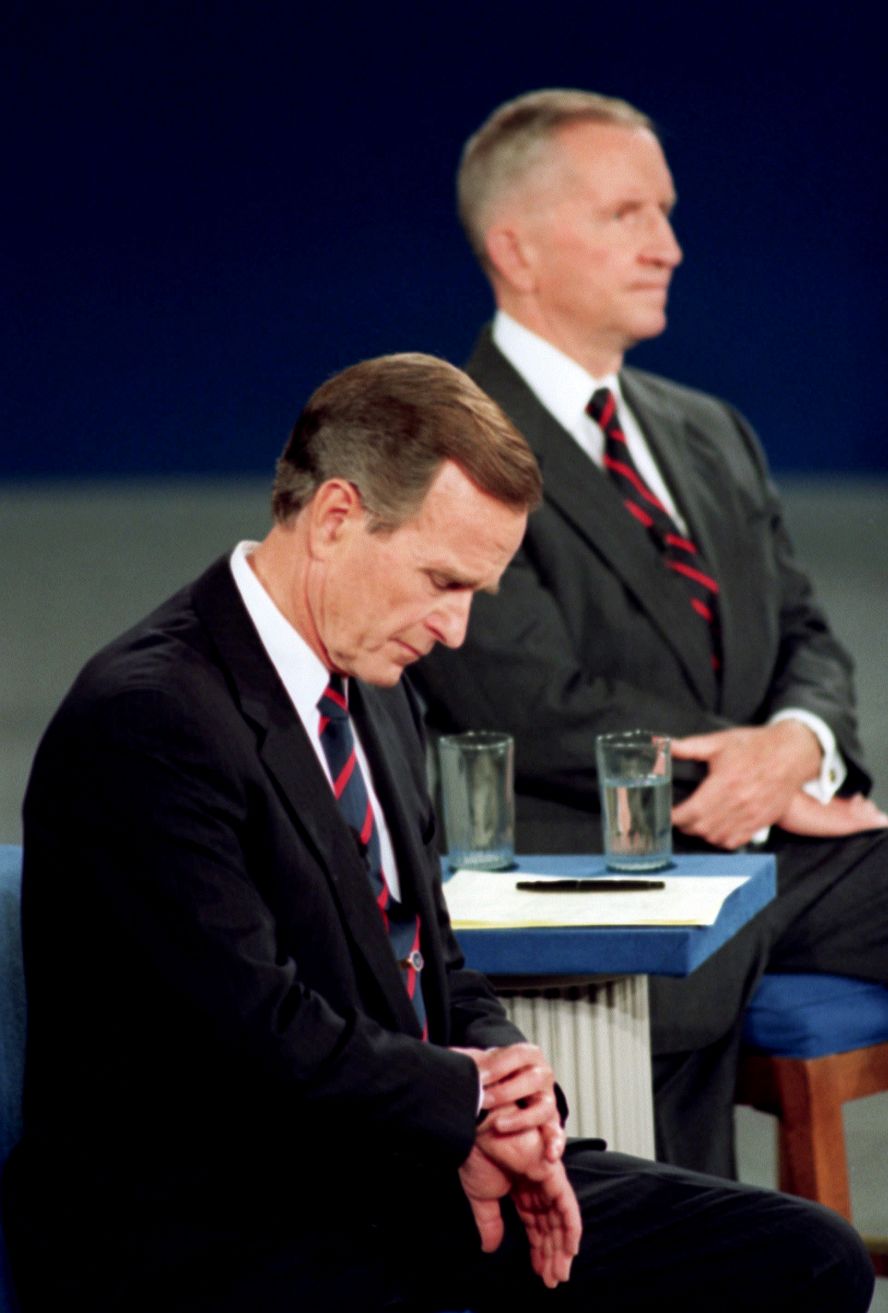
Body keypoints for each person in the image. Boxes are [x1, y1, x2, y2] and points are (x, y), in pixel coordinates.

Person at [3, 352, 874, 1312]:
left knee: (804, 1255)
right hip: (222, 1228)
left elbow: (436, 961)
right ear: (335, 518)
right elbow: (251, 1033)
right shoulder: (149, 719)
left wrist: (514, 1091)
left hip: (395, 1174)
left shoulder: (375, 689)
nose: (456, 631)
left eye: (476, 595)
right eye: (442, 580)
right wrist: (464, 1110)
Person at [412, 88, 888, 1175]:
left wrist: (798, 744)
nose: (669, 245)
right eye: (629, 214)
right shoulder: (445, 442)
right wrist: (752, 766)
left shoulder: (708, 429)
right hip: (597, 865)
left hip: (774, 852)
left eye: (667, 213)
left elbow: (809, 629)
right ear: (516, 248)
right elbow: (527, 698)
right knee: (684, 1244)